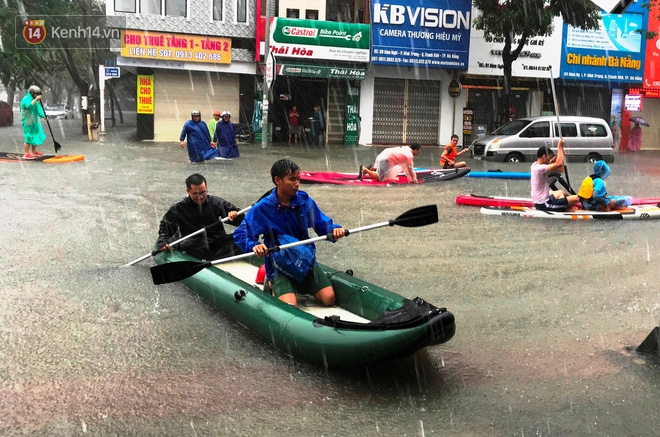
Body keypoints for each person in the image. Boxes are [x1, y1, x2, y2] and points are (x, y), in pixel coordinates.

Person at [234, 159, 345, 308]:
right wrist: (254, 245)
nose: (297, 183)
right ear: (277, 180)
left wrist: (334, 230)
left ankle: (299, 284)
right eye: (292, 179)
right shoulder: (263, 207)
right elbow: (241, 234)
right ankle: (272, 281)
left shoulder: (305, 202)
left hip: (303, 258)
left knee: (329, 298)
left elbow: (322, 224)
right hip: (279, 263)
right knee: (290, 305)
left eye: (298, 179)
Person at [157, 173, 244, 260]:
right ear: (188, 191)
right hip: (195, 244)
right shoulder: (178, 207)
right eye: (196, 194)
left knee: (243, 236)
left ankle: (220, 257)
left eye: (203, 192)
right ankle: (217, 259)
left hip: (218, 242)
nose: (201, 197)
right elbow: (165, 228)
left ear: (206, 189)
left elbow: (243, 221)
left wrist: (235, 215)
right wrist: (163, 242)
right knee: (188, 244)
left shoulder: (216, 202)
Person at [531, 138, 579, 211]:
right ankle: (568, 208)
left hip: (545, 199)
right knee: (576, 198)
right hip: (544, 204)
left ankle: (567, 205)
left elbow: (550, 162)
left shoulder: (535, 164)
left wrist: (561, 154)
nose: (549, 160)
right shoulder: (539, 168)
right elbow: (558, 164)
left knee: (561, 193)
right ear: (544, 156)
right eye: (549, 158)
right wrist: (559, 147)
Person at [20, 85, 47, 159]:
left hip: (34, 121)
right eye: (36, 94)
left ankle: (34, 151)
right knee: (29, 137)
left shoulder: (34, 100)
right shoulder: (26, 99)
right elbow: (29, 106)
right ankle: (26, 153)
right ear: (32, 93)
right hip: (27, 121)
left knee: (36, 135)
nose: (37, 96)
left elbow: (39, 109)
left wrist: (44, 116)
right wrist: (36, 99)